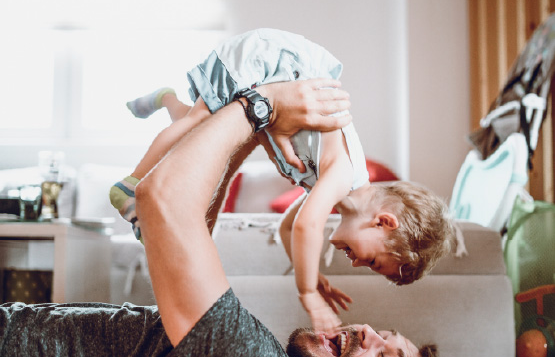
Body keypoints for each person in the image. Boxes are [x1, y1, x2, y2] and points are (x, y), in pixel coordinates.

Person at [0, 81, 444, 357]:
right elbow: (194, 229)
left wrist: (262, 105)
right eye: (385, 334)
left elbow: (160, 200)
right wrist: (253, 136)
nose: (369, 332)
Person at [112, 29, 456, 332]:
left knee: (196, 124)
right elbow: (307, 226)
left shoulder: (339, 194)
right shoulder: (344, 175)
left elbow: (288, 229)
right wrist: (307, 294)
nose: (356, 262)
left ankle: (163, 98)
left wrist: (312, 273)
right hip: (267, 63)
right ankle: (131, 184)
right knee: (197, 125)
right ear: (383, 222)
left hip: (270, 79)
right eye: (372, 261)